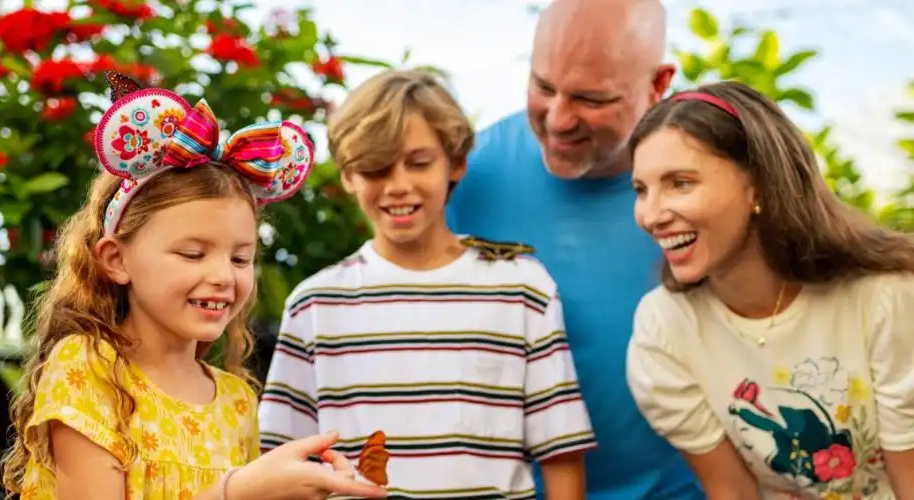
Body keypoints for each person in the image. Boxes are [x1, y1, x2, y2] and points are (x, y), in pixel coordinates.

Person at [0, 72, 387, 500]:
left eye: (240, 258)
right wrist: (236, 492)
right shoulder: (89, 370)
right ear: (117, 259)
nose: (224, 275)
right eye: (192, 254)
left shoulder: (237, 400)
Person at [258, 69, 596, 499]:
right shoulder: (315, 306)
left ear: (455, 162)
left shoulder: (523, 289)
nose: (398, 186)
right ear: (347, 175)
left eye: (419, 163)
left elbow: (562, 455)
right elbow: (281, 463)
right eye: (375, 169)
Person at [446, 0, 703, 498]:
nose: (559, 120)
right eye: (543, 87)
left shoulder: (710, 182)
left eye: (591, 98)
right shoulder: (469, 175)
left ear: (658, 83)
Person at [626, 81, 914, 498]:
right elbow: (731, 491)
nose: (651, 215)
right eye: (641, 190)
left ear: (758, 184)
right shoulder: (664, 329)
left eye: (680, 183)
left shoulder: (886, 298)